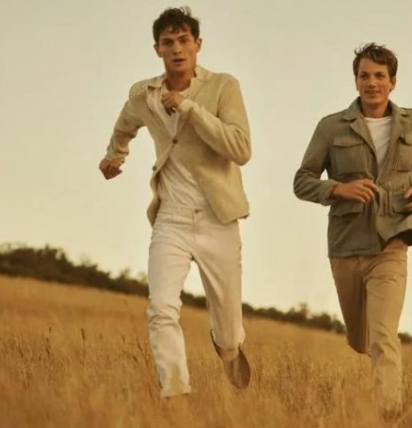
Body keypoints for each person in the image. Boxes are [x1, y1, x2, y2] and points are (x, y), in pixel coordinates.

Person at [99, 6, 252, 397]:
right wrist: (115, 155)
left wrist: (189, 108)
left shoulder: (223, 86)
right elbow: (125, 125)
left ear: (198, 45)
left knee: (229, 328)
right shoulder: (144, 94)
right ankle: (176, 395)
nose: (177, 49)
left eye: (184, 40)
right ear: (157, 49)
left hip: (219, 218)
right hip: (171, 217)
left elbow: (240, 148)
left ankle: (228, 347)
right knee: (161, 308)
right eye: (168, 42)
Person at [293, 43, 412, 412]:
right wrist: (338, 189)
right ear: (355, 81)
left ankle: (388, 411)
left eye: (379, 76)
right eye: (364, 76)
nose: (372, 83)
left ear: (393, 82)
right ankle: (366, 349)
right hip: (347, 244)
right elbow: (302, 181)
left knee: (384, 334)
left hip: (393, 240)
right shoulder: (331, 127)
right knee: (362, 339)